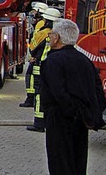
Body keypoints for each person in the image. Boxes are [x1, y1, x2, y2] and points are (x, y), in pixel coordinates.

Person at [40, 19, 106, 175]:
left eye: (51, 34)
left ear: (57, 38)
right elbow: (98, 89)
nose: (49, 37)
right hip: (81, 122)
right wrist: (89, 114)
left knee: (60, 164)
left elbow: (59, 93)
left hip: (60, 119)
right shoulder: (85, 61)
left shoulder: (53, 61)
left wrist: (72, 111)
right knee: (78, 163)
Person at [27, 6, 61, 132]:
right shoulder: (59, 34)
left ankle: (39, 123)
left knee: (39, 96)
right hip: (54, 70)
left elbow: (32, 48)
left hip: (40, 69)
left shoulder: (42, 33)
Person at [20, 1, 47, 108]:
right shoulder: (43, 23)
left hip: (37, 57)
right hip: (40, 57)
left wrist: (33, 55)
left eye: (35, 11)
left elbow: (36, 41)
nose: (33, 13)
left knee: (30, 78)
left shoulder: (41, 24)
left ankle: (30, 99)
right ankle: (32, 98)